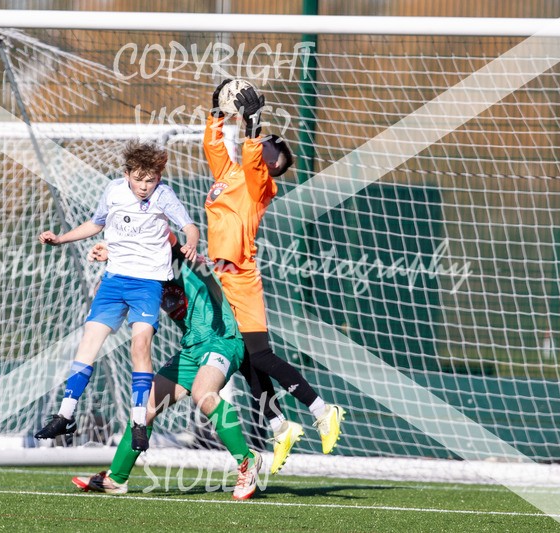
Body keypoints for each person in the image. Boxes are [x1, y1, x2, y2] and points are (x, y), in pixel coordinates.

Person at [204, 80, 346, 474]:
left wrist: (252, 124)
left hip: (240, 276)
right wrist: (217, 110)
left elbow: (252, 158)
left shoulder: (259, 184)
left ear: (274, 167)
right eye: (265, 141)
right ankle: (279, 425)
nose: (266, 146)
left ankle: (322, 409)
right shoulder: (229, 173)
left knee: (261, 355)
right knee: (250, 362)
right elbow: (213, 146)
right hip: (220, 276)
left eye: (273, 151)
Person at [34, 140, 200, 453]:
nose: (144, 186)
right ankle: (65, 414)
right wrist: (60, 239)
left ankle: (139, 421)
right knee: (88, 342)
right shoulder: (113, 190)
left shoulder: (163, 194)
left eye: (151, 180)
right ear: (126, 173)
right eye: (138, 178)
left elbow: (189, 226)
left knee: (140, 345)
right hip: (113, 281)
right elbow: (96, 224)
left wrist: (190, 243)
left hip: (148, 284)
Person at [73, 237, 261, 500]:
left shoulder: (180, 262)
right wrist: (112, 254)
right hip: (191, 349)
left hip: (221, 340)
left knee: (203, 393)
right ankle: (116, 479)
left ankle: (247, 462)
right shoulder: (148, 278)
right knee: (145, 407)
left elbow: (165, 235)